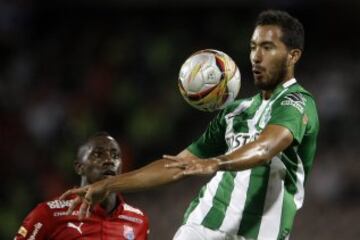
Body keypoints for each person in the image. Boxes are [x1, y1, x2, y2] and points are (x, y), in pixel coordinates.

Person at [61, 10, 319, 240]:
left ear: (292, 55)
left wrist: (216, 162)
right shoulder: (235, 111)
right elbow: (176, 166)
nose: (256, 57)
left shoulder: (297, 102)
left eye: (268, 47)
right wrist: (108, 185)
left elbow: (265, 148)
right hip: (203, 226)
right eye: (253, 47)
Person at [15, 132, 149, 240]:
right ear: (79, 167)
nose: (109, 160)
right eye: (98, 154)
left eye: (115, 155)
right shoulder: (48, 214)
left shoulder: (138, 220)